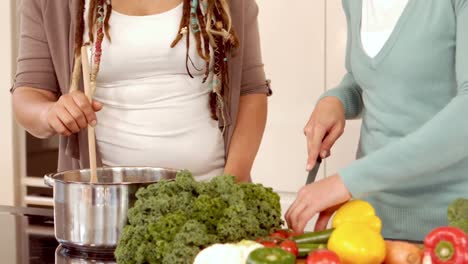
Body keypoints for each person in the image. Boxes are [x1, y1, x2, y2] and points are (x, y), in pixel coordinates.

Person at [12, 0, 271, 182]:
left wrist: (228, 190)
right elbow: (29, 94)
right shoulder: (50, 3)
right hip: (107, 208)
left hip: (210, 194)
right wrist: (50, 114)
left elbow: (251, 92)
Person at [286, 0, 468, 241]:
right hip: (368, 226)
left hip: (450, 230)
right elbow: (373, 78)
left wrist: (348, 181)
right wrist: (337, 100)